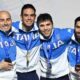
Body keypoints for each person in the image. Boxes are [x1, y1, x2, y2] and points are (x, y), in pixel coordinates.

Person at [36, 13, 74, 80]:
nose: (45, 28)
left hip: (63, 75)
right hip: (45, 76)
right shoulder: (35, 39)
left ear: (52, 24)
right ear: (38, 27)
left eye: (48, 24)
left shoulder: (62, 34)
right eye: (42, 25)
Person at [0, 11, 16, 80]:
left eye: (8, 19)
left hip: (15, 76)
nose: (5, 23)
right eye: (2, 20)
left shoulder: (16, 34)